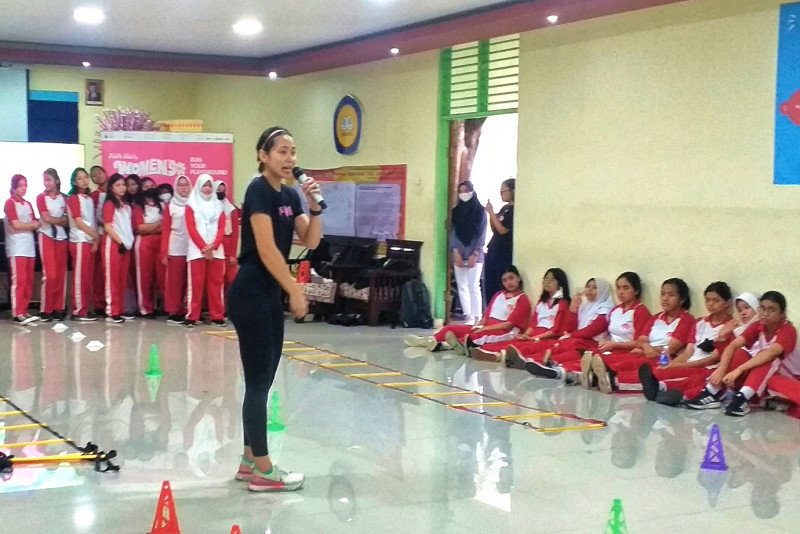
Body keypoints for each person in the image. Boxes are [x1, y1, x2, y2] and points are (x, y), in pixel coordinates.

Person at [228, 126, 322, 491]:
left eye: (293, 151)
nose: (290, 158)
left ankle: (249, 460)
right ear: (263, 155)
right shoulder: (258, 190)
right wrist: (294, 290)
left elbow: (311, 239)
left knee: (263, 382)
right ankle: (265, 471)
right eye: (282, 151)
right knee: (257, 383)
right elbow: (266, 249)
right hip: (251, 290)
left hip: (269, 294)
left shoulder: (290, 195)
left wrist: (314, 206)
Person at [686, 291, 798, 416]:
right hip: (761, 377)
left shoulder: (788, 330)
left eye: (772, 310)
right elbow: (732, 346)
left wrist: (738, 370)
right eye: (762, 308)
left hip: (785, 378)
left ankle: (742, 398)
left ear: (782, 314)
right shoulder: (757, 326)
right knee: (740, 353)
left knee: (766, 358)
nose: (765, 314)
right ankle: (712, 392)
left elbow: (771, 353)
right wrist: (722, 369)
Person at [638, 281, 737, 406]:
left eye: (716, 300)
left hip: (707, 368)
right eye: (707, 300)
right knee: (660, 371)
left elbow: (712, 359)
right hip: (690, 363)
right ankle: (660, 388)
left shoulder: (730, 327)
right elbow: (688, 353)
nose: (710, 304)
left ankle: (666, 389)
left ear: (727, 303)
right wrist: (672, 365)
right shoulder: (699, 322)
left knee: (695, 378)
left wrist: (680, 366)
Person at [590, 278, 694, 394]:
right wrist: (646, 348)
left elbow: (670, 349)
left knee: (635, 370)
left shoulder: (687, 320)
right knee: (617, 362)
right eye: (663, 294)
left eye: (671, 295)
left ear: (682, 299)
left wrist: (644, 349)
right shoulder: (656, 317)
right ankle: (593, 375)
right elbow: (641, 341)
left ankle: (611, 381)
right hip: (644, 353)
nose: (665, 298)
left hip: (661, 359)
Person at [404, 265, 531, 354]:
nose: (509, 283)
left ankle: (442, 345)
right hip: (487, 327)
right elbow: (486, 316)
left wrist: (484, 329)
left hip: (504, 332)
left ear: (518, 278)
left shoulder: (522, 299)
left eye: (511, 278)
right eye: (505, 280)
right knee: (452, 328)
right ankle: (430, 340)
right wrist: (479, 325)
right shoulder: (499, 295)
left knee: (473, 336)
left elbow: (508, 325)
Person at [511, 277, 614, 381]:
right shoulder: (585, 306)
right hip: (577, 339)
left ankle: (546, 365)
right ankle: (530, 360)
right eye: (587, 286)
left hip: (590, 343)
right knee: (555, 345)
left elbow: (591, 331)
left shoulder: (606, 308)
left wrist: (572, 335)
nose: (589, 290)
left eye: (595, 288)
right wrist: (573, 308)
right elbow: (569, 328)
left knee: (567, 347)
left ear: (602, 291)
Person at [472, 267, 573, 363]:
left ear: (560, 283)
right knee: (513, 342)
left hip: (545, 337)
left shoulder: (563, 304)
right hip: (533, 334)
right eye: (546, 279)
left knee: (526, 347)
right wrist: (526, 335)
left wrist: (533, 338)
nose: (547, 282)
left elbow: (555, 330)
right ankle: (488, 351)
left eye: (552, 280)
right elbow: (533, 324)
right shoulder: (541, 302)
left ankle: (500, 356)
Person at [185, 174, 226, 327]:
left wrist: (213, 245)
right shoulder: (191, 205)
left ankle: (217, 316)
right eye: (204, 186)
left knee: (216, 284)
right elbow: (191, 228)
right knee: (195, 285)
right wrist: (204, 247)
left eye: (209, 186)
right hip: (197, 251)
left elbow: (222, 227)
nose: (207, 189)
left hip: (216, 251)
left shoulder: (219, 205)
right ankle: (192, 316)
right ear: (199, 187)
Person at [4, 174, 39, 324]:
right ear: (13, 187)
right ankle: (17, 312)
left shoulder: (28, 204)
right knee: (19, 280)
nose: (23, 188)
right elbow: (15, 225)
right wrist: (30, 226)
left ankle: (24, 310)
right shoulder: (10, 203)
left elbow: (34, 223)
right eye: (20, 186)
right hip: (16, 247)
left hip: (29, 246)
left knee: (29, 280)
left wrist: (26, 226)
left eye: (25, 185)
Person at [450, 180, 486, 325]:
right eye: (460, 191)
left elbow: (482, 235)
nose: (463, 194)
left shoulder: (480, 211)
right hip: (458, 253)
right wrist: (455, 251)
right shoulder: (455, 212)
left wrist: (475, 254)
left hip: (475, 254)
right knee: (462, 286)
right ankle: (468, 316)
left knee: (474, 286)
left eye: (466, 191)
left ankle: (477, 316)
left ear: (472, 192)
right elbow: (453, 233)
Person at [66, 167, 100, 321]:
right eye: (80, 178)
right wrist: (95, 236)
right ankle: (78, 310)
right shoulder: (73, 198)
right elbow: (79, 222)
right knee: (80, 277)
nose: (84, 181)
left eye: (85, 177)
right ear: (74, 182)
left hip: (89, 241)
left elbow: (92, 220)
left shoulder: (89, 199)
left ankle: (86, 308)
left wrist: (94, 239)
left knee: (87, 278)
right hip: (79, 240)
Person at [36, 168, 69, 321]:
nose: (46, 183)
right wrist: (60, 220)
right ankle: (46, 308)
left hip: (61, 237)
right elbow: (46, 218)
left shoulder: (65, 198)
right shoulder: (40, 197)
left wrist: (60, 221)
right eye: (45, 180)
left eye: (49, 180)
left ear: (56, 180)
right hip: (46, 235)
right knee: (50, 274)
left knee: (61, 274)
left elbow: (69, 220)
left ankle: (58, 307)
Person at [102, 173, 134, 323]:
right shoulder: (109, 204)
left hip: (125, 245)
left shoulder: (126, 206)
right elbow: (108, 227)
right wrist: (120, 242)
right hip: (113, 244)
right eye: (118, 185)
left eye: (123, 185)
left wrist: (126, 243)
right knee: (112, 279)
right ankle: (112, 310)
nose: (122, 188)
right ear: (111, 188)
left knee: (122, 279)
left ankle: (120, 309)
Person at [160, 176, 191, 324]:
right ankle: (174, 312)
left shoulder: (194, 204)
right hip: (176, 247)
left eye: (186, 185)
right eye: (180, 185)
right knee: (175, 282)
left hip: (192, 247)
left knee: (189, 281)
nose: (183, 188)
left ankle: (187, 310)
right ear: (176, 188)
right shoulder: (170, 206)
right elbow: (166, 230)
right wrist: (164, 252)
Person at [483, 178, 515, 306]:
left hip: (504, 253)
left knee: (499, 283)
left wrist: (491, 212)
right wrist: (492, 215)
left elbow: (503, 230)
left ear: (512, 191)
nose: (501, 194)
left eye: (503, 191)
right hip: (494, 250)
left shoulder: (514, 210)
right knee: (489, 283)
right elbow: (496, 229)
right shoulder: (505, 208)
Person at [133, 189, 164, 317]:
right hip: (144, 244)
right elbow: (140, 228)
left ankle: (157, 306)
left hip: (161, 243)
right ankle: (145, 308)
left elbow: (166, 226)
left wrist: (149, 227)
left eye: (152, 186)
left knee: (160, 277)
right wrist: (158, 224)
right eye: (146, 186)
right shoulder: (138, 207)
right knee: (144, 277)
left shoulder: (162, 205)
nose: (149, 188)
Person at [215, 180, 240, 294]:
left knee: (232, 278)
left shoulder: (231, 209)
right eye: (218, 190)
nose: (221, 192)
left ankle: (233, 302)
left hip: (228, 243)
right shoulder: (210, 207)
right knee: (217, 277)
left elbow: (235, 233)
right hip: (215, 244)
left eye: (223, 190)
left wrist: (233, 254)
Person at [90, 165, 109, 315]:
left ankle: (112, 303)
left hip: (116, 234)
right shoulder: (93, 196)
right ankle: (99, 304)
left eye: (100, 173)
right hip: (100, 234)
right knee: (99, 271)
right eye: (95, 175)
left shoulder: (116, 191)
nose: (98, 176)